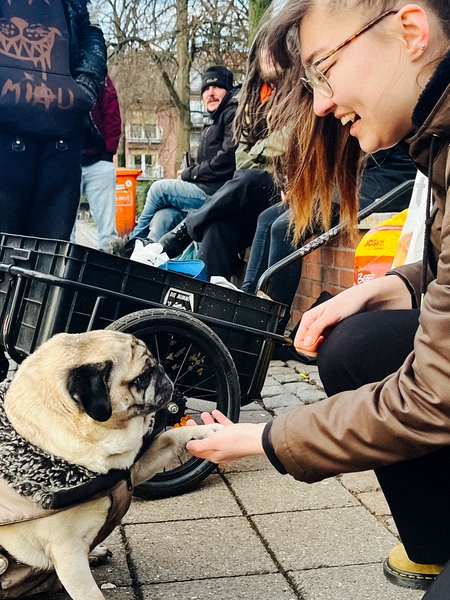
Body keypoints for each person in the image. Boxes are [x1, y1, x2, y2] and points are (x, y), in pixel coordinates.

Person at [186, 1, 450, 594]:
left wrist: (263, 439)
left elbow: (435, 396)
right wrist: (391, 286)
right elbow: (442, 264)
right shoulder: (437, 136)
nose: (322, 102)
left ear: (410, 31)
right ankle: (436, 541)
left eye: (323, 69)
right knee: (354, 346)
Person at [242, 145, 417, 343]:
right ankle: (246, 308)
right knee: (266, 218)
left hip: (387, 177)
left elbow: (353, 152)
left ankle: (272, 330)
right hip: (356, 177)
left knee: (284, 228)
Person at [158, 36, 286, 280]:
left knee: (159, 191)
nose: (268, 59)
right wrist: (262, 150)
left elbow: (289, 139)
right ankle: (207, 302)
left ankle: (180, 234)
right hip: (250, 190)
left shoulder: (297, 91)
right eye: (262, 54)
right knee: (217, 225)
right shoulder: (252, 99)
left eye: (275, 51)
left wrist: (258, 150)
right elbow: (242, 157)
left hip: (280, 185)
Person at [0, 0, 107, 241]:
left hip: (62, 136)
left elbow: (90, 33)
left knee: (48, 251)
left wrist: (86, 86)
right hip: (6, 133)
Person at [128, 66, 238, 242]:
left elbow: (226, 160)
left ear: (228, 90)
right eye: (206, 89)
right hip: (206, 189)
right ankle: (147, 259)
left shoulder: (232, 114)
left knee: (158, 189)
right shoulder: (214, 120)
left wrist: (191, 173)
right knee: (164, 216)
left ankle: (132, 242)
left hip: (217, 194)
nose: (210, 93)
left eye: (216, 87)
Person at [71, 74, 122, 252]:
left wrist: (108, 150)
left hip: (98, 158)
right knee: (65, 228)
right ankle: (64, 269)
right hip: (68, 160)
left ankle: (108, 270)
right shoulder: (59, 70)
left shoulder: (100, 77)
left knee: (107, 231)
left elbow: (112, 111)